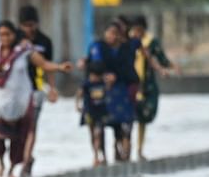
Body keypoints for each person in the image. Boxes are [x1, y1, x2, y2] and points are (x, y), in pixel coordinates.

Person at [0, 20, 73, 177]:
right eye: (1, 35)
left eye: (8, 34)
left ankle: (12, 170)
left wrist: (60, 68)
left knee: (17, 140)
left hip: (20, 103)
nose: (5, 38)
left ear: (14, 35)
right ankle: (1, 164)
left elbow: (43, 64)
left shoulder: (25, 51)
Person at [85, 20, 138, 162]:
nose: (112, 36)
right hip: (101, 92)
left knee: (123, 125)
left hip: (121, 91)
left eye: (115, 34)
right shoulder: (98, 47)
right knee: (98, 125)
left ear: (120, 36)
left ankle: (122, 152)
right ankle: (100, 156)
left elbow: (129, 69)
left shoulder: (126, 49)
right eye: (109, 33)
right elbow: (93, 66)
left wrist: (117, 77)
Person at [128, 14, 178, 161]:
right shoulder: (128, 41)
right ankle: (126, 149)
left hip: (146, 84)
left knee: (143, 117)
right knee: (128, 117)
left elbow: (159, 58)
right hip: (130, 83)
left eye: (138, 30)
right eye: (134, 30)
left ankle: (139, 149)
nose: (136, 33)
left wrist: (169, 67)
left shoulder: (151, 42)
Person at [17, 4, 58, 177]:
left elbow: (48, 66)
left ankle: (26, 162)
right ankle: (25, 158)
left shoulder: (45, 42)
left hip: (37, 89)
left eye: (32, 24)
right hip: (17, 91)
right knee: (18, 128)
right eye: (26, 25)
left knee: (32, 126)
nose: (29, 28)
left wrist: (53, 88)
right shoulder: (15, 39)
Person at [76, 60, 109, 166]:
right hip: (89, 113)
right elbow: (79, 94)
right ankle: (95, 155)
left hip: (100, 113)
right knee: (92, 135)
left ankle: (101, 156)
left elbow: (108, 92)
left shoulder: (102, 82)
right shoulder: (87, 84)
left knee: (98, 134)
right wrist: (77, 105)